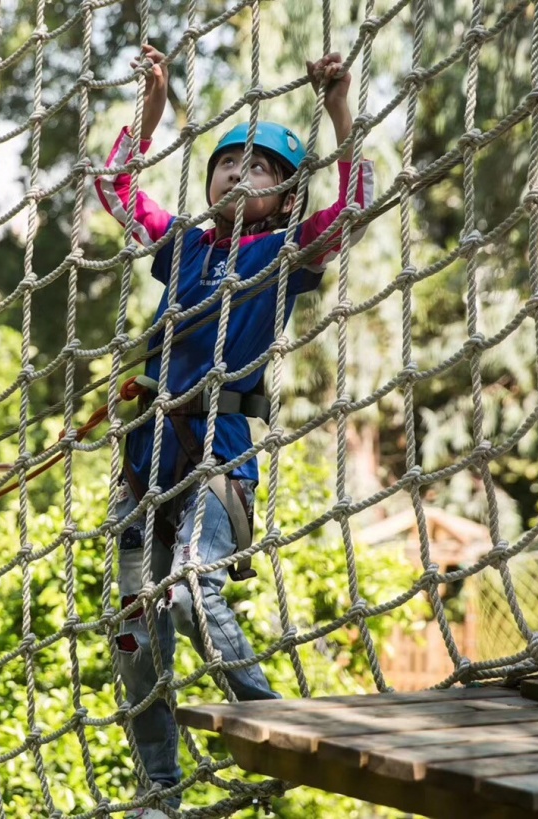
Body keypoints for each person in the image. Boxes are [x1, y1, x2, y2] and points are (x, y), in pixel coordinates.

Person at [95, 44, 374, 817]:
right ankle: (160, 787)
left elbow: (357, 201)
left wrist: (338, 106)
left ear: (286, 199)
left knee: (188, 591)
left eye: (260, 170)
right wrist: (152, 109)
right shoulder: (182, 245)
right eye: (226, 164)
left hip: (218, 451)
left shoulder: (286, 251)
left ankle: (277, 727)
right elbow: (114, 188)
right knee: (133, 628)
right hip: (144, 456)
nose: (237, 175)